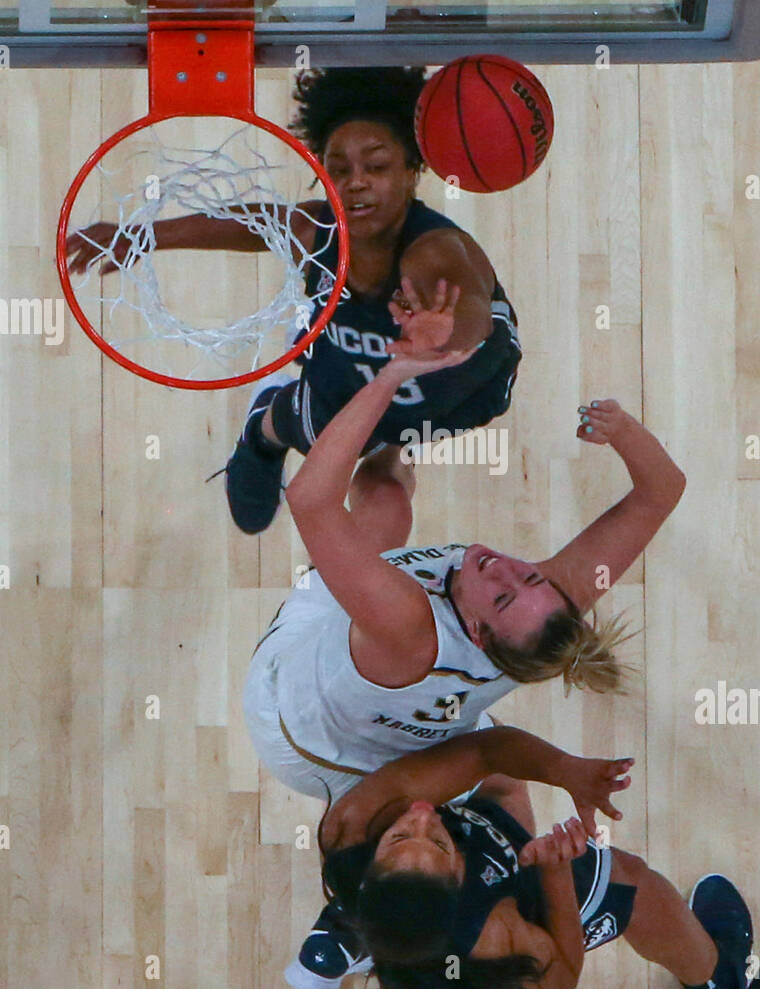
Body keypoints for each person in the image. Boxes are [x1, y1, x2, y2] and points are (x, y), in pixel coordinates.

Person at [243, 334, 686, 806]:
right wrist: (621, 429)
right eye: (530, 576)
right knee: (387, 492)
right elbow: (662, 490)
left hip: (295, 726)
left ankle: (269, 423)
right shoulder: (546, 608)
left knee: (364, 525)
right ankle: (391, 428)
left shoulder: (407, 623)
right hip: (403, 727)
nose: (507, 571)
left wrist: (390, 376)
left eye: (502, 596)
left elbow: (310, 500)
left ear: (475, 631)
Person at [288, 723, 753, 989]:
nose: (423, 815)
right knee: (636, 884)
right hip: (525, 878)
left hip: (410, 888)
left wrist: (562, 769)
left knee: (487, 760)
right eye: (437, 842)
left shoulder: (349, 829)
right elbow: (562, 978)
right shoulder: (491, 932)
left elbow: (487, 752)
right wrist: (554, 872)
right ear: (458, 879)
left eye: (403, 836)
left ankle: (353, 933)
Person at [222, 65, 523, 532]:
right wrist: (142, 234)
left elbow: (471, 313)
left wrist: (444, 342)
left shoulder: (434, 251)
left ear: (412, 171)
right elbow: (260, 223)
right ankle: (264, 427)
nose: (355, 181)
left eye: (377, 166)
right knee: (358, 473)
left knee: (383, 485)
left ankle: (386, 457)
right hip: (346, 379)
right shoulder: (316, 230)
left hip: (451, 390)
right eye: (338, 170)